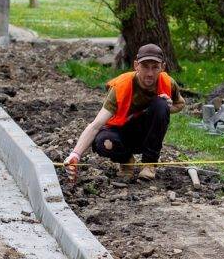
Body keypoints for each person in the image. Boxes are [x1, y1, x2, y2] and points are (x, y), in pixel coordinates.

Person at [65, 44, 184, 182]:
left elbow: (180, 104)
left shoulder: (168, 83)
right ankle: (126, 160)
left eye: (155, 67)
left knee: (161, 104)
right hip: (121, 134)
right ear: (136, 65)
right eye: (145, 66)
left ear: (162, 67)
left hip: (146, 135)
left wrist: (167, 108)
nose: (150, 73)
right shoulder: (122, 86)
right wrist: (75, 155)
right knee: (104, 143)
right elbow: (96, 125)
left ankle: (149, 164)